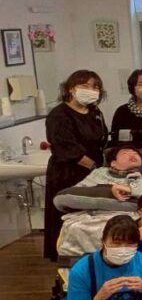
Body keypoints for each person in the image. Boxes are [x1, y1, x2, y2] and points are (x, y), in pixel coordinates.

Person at [44, 70, 108, 260]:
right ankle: (66, 256)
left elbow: (103, 138)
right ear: (71, 89)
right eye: (85, 86)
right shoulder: (59, 115)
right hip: (68, 172)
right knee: (69, 215)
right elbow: (67, 148)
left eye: (95, 87)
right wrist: (94, 167)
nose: (91, 90)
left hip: (93, 171)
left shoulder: (95, 112)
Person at [53, 145, 142, 213]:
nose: (133, 154)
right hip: (91, 217)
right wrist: (110, 190)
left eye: (136, 154)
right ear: (113, 163)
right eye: (125, 153)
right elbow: (70, 194)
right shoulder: (99, 173)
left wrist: (128, 190)